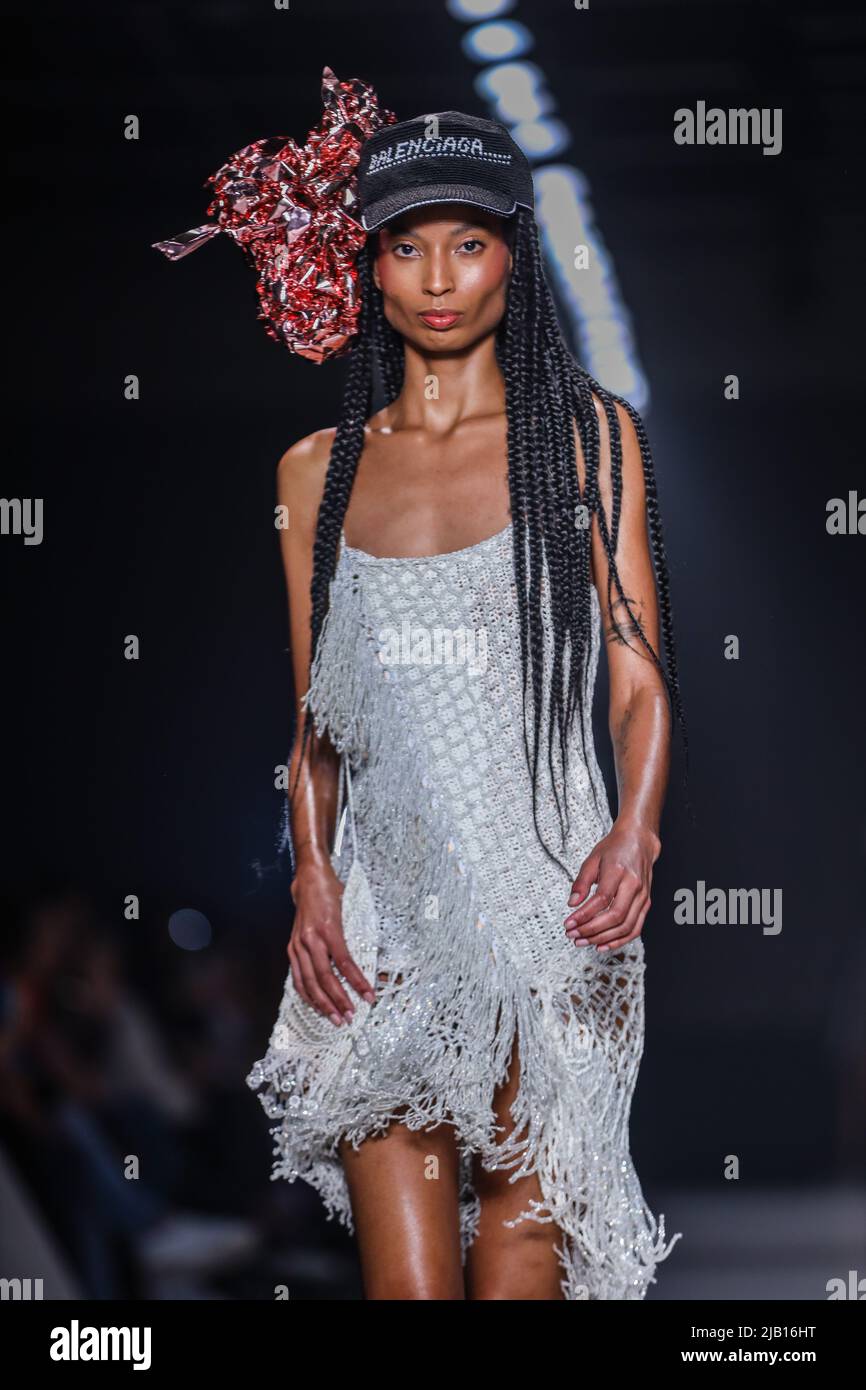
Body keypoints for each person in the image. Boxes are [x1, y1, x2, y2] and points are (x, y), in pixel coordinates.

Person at [242, 106, 688, 1301]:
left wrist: (635, 830)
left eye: (467, 243)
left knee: (519, 1268)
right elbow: (312, 723)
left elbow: (639, 678)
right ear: (370, 263)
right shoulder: (311, 475)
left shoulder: (585, 440)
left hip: (549, 907)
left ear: (513, 253)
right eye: (404, 247)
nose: (436, 279)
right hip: (381, 924)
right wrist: (311, 875)